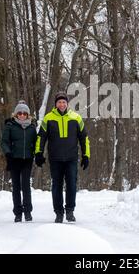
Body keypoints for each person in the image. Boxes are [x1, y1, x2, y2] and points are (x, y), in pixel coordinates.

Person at [34, 92, 90, 223]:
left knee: (71, 185)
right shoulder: (48, 118)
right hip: (55, 158)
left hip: (71, 158)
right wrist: (39, 153)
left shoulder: (76, 118)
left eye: (64, 102)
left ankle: (70, 211)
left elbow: (84, 138)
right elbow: (41, 137)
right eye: (59, 102)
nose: (62, 104)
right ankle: (59, 213)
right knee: (56, 186)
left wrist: (86, 155)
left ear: (67, 103)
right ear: (55, 104)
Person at [1, 101, 38, 223]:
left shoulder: (32, 128)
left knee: (26, 185)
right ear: (16, 114)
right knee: (16, 187)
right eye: (20, 113)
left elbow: (36, 143)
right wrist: (8, 153)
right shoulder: (10, 126)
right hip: (14, 159)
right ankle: (18, 213)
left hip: (27, 159)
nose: (22, 115)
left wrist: (37, 154)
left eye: (24, 113)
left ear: (28, 115)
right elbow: (4, 142)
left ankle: (27, 211)